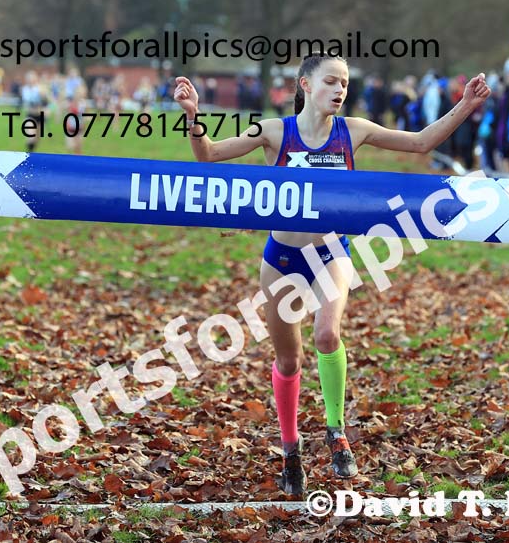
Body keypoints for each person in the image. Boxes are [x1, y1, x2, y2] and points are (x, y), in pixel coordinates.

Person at [173, 53, 490, 496]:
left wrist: (465, 106)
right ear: (305, 85)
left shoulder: (353, 131)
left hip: (331, 253)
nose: (339, 90)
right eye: (330, 82)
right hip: (282, 258)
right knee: (289, 360)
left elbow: (419, 143)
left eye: (343, 82)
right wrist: (193, 117)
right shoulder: (271, 132)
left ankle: (336, 431)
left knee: (327, 335)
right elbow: (207, 156)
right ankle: (290, 450)